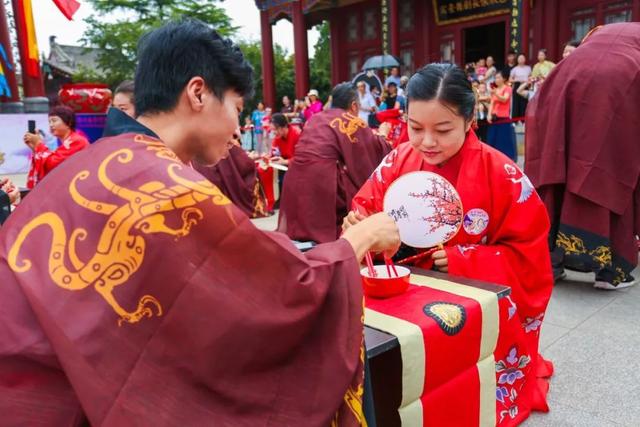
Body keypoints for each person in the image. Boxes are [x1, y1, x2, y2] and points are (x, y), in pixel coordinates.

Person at [0, 19, 401, 426]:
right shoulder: (158, 182)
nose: (238, 128)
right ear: (197, 93)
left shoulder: (97, 162)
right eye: (237, 109)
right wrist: (359, 238)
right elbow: (277, 289)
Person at [345, 63, 554, 426]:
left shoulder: (502, 174)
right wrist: (359, 222)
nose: (427, 142)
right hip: (402, 291)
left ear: (470, 119)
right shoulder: (398, 160)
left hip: (469, 300)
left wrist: (465, 259)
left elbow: (529, 256)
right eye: (415, 128)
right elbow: (366, 203)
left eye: (443, 130)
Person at [525, 23, 640, 290]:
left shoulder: (604, 31)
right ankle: (610, 272)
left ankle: (550, 263)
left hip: (565, 77)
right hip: (619, 81)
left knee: (560, 167)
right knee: (611, 167)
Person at [278, 82, 393, 243]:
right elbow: (369, 153)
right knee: (360, 191)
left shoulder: (316, 118)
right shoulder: (351, 120)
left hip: (294, 178)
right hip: (322, 180)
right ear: (354, 106)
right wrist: (383, 135)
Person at [23, 105, 90, 188]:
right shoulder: (68, 142)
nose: (51, 125)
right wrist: (35, 148)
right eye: (49, 122)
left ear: (68, 122)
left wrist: (38, 144)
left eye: (54, 121)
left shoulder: (77, 141)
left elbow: (52, 165)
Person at [487, 70, 517, 161]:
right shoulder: (495, 90)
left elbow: (504, 99)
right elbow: (492, 103)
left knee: (504, 140)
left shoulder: (507, 88)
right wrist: (489, 115)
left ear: (503, 78)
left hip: (503, 118)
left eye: (498, 77)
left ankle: (506, 159)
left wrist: (495, 93)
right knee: (492, 139)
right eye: (495, 78)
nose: (496, 79)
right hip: (494, 118)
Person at [510, 54, 532, 119]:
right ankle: (515, 120)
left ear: (525, 59)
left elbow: (530, 77)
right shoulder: (514, 69)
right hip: (517, 85)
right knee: (516, 103)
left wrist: (528, 80)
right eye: (520, 58)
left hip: (525, 86)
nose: (521, 59)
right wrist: (518, 80)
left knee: (524, 103)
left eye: (523, 58)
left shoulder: (528, 68)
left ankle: (524, 119)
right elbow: (510, 79)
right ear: (517, 60)